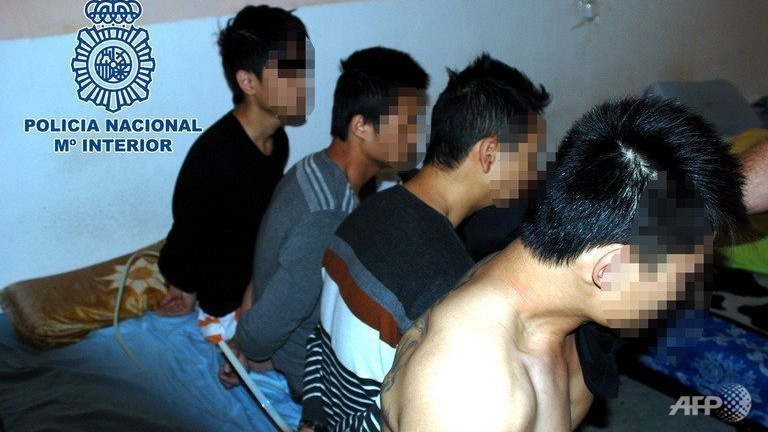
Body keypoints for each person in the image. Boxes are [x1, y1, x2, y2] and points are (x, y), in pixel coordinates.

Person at [379, 97, 750, 431]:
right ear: (609, 269)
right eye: (680, 279)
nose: (680, 297)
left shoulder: (543, 276)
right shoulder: (470, 397)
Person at [300, 53, 552, 431]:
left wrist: (313, 422)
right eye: (528, 158)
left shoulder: (364, 212)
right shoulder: (445, 285)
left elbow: (319, 344)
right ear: (489, 153)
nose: (532, 174)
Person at [218, 47, 429, 413]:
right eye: (407, 124)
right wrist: (246, 348)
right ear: (360, 126)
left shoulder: (313, 167)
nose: (416, 137)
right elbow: (272, 320)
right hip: (311, 377)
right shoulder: (328, 216)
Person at [156, 5, 312, 343]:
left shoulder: (277, 140)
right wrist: (183, 287)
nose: (302, 83)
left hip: (257, 282)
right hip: (223, 302)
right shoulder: (215, 156)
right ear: (248, 81)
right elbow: (187, 233)